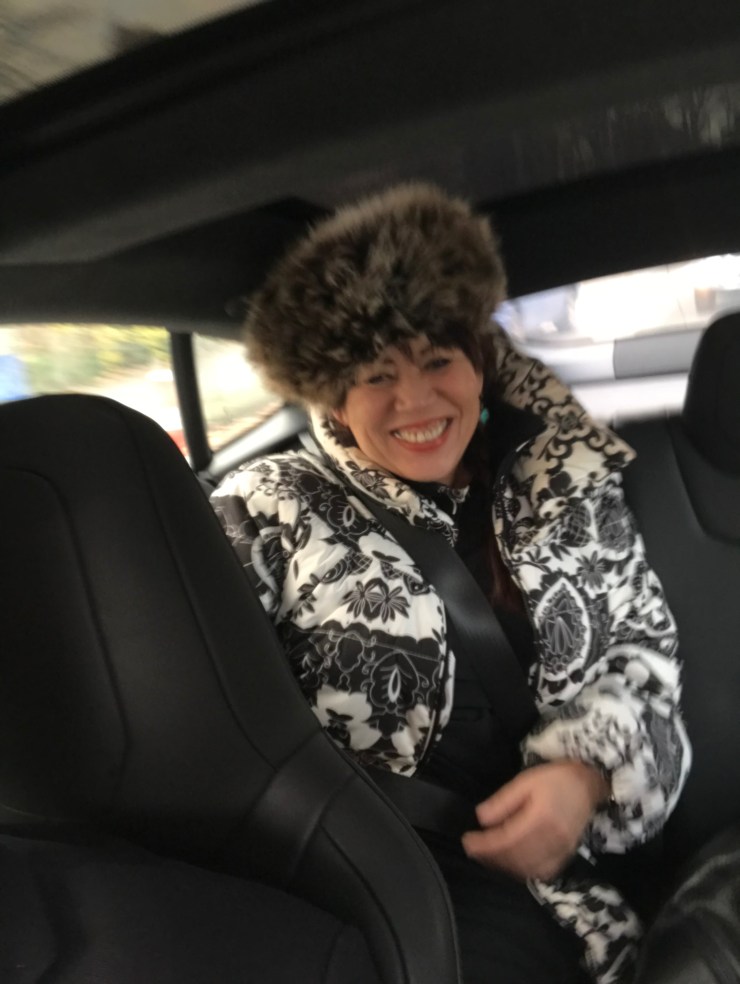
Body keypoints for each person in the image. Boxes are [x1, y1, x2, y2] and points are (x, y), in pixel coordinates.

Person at [211, 183, 691, 984]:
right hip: (351, 881)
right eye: (376, 375)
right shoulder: (266, 509)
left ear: (478, 364)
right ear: (333, 398)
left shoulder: (566, 483)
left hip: (547, 894)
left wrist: (587, 773)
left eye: (438, 360)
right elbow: (200, 698)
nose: (415, 399)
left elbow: (642, 660)